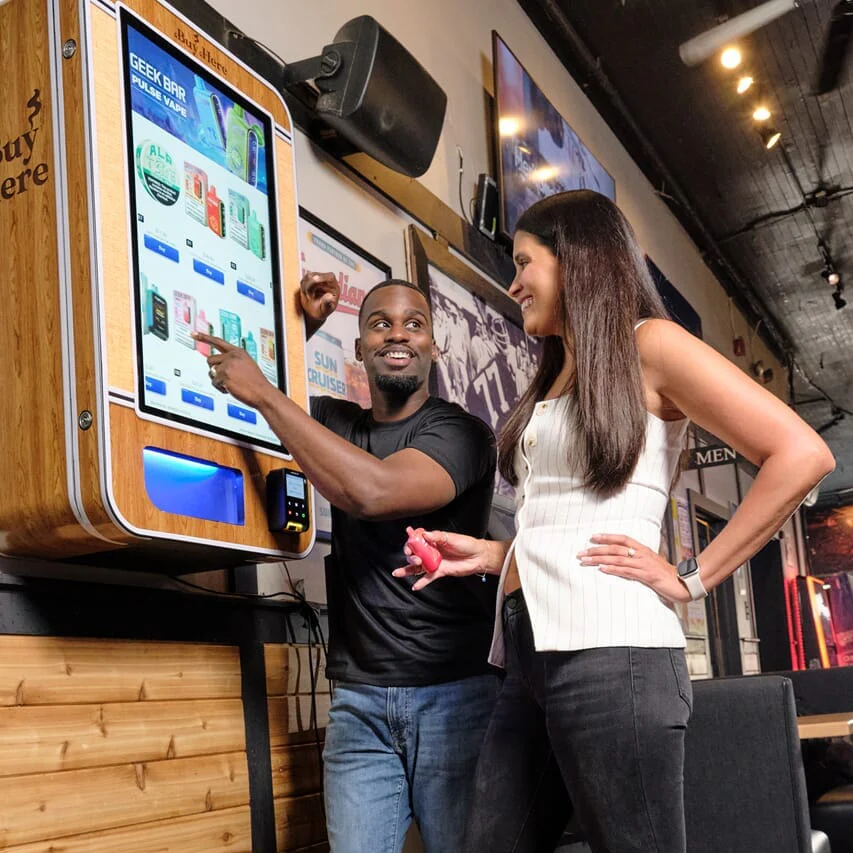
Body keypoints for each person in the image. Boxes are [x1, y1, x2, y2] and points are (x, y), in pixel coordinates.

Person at [394, 190, 836, 853]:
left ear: (575, 260)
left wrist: (693, 576)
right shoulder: (558, 370)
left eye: (522, 262)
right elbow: (568, 520)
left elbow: (801, 453)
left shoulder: (650, 343)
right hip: (528, 653)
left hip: (612, 656)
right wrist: (489, 555)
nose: (512, 282)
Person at [194, 278, 499, 853]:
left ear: (434, 345)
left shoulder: (460, 432)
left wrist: (264, 393)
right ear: (359, 346)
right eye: (379, 323)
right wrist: (303, 329)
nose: (397, 334)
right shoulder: (340, 423)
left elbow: (374, 491)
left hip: (456, 696)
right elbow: (273, 407)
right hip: (360, 703)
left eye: (415, 323)